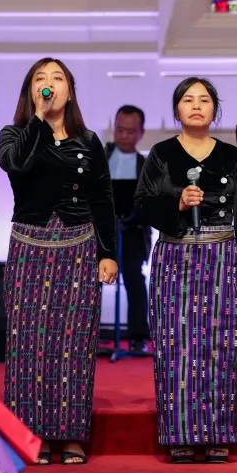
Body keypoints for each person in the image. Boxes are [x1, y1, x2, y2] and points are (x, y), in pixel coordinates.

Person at [134, 77, 237, 463]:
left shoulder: (231, 156)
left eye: (204, 100)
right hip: (174, 256)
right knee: (174, 344)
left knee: (220, 345)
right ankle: (179, 435)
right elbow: (141, 204)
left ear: (214, 109)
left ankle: (217, 434)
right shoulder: (161, 154)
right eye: (188, 100)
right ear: (176, 109)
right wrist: (175, 203)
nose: (196, 105)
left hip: (221, 255)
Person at [0, 58, 118, 466]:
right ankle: (29, 436)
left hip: (78, 246)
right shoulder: (14, 134)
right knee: (27, 344)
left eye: (57, 78)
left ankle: (70, 436)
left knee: (74, 342)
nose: (48, 84)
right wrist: (38, 120)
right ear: (30, 91)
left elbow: (102, 198)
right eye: (40, 79)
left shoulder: (88, 141)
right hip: (29, 247)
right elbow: (16, 165)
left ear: (70, 90)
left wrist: (108, 252)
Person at [105, 105, 152, 354]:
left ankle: (138, 336)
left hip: (134, 231)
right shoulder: (100, 159)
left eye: (130, 131)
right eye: (119, 129)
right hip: (103, 231)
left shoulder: (145, 165)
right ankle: (84, 335)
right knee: (88, 281)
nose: (123, 136)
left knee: (134, 279)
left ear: (140, 133)